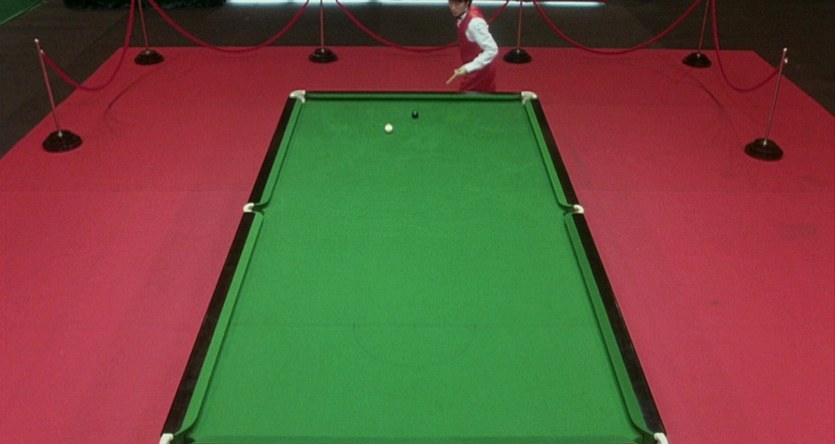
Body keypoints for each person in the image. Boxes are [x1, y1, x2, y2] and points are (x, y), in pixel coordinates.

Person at [446, 0, 498, 92]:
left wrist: (468, 67)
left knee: (465, 99)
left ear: (467, 3)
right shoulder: (468, 12)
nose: (453, 8)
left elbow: (492, 49)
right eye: (450, 3)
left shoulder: (474, 24)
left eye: (457, 4)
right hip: (477, 69)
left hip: (479, 72)